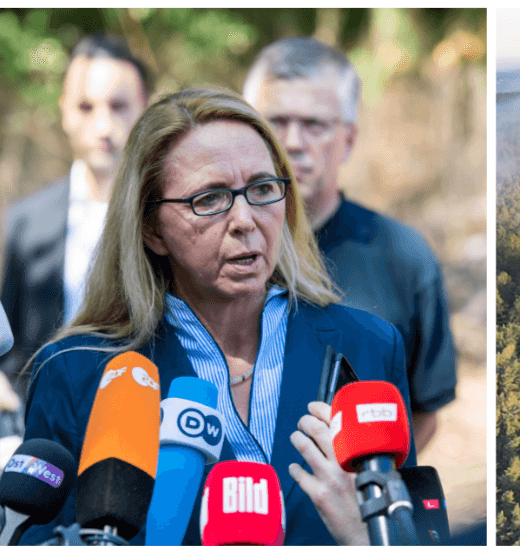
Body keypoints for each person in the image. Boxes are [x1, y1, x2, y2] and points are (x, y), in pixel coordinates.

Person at [20, 87, 415, 545]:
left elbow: (414, 531)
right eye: (209, 199)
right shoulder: (75, 373)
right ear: (152, 229)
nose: (245, 219)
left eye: (263, 189)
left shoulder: (368, 346)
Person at [242, 37, 456, 451]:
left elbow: (423, 413)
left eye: (314, 125)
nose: (293, 143)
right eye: (275, 123)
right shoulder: (214, 251)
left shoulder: (404, 258)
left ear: (350, 140)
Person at [0, 34, 151, 401]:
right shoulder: (26, 223)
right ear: (64, 110)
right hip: (41, 425)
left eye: (118, 106)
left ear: (145, 108)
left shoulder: (167, 215)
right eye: (86, 107)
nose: (103, 127)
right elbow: (10, 346)